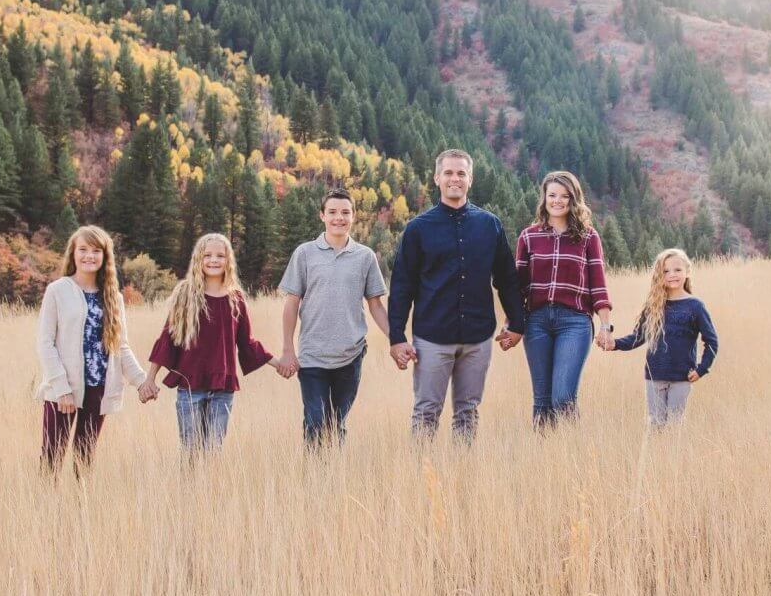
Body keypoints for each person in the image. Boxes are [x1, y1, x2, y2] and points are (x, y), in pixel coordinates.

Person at [388, 148, 526, 444]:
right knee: (426, 412)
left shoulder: (490, 225)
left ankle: (461, 478)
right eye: (448, 173)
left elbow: (506, 278)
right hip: (432, 338)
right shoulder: (418, 229)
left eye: (461, 173)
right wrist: (397, 336)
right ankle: (419, 477)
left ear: (470, 179)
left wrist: (517, 323)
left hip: (477, 338)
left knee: (468, 412)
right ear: (437, 178)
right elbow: (402, 286)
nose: (455, 179)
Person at [140, 233, 293, 450]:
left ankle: (211, 486)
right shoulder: (186, 294)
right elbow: (168, 337)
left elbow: (247, 343)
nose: (213, 260)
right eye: (207, 255)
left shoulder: (236, 298)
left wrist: (279, 364)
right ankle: (190, 486)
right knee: (191, 453)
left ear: (228, 260)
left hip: (222, 388)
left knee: (213, 452)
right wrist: (149, 380)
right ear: (198, 259)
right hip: (190, 387)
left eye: (220, 255)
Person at [273, 188, 390, 449]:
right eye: (333, 212)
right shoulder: (305, 253)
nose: (339, 218)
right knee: (314, 422)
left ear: (354, 216)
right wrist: (288, 350)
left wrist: (397, 339)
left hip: (350, 355)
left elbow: (376, 306)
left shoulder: (365, 257)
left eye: (345, 212)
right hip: (312, 355)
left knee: (336, 423)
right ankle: (314, 482)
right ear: (322, 216)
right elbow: (291, 304)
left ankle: (334, 480)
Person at [34, 225, 148, 473]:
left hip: (98, 388)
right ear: (73, 254)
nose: (89, 256)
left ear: (105, 256)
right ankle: (43, 510)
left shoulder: (113, 297)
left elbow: (120, 346)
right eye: (83, 249)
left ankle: (82, 510)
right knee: (51, 458)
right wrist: (62, 388)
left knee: (84, 459)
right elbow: (45, 343)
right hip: (63, 389)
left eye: (96, 250)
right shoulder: (58, 290)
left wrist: (141, 381)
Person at [515, 170, 615, 427]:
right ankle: (545, 463)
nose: (557, 201)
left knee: (563, 398)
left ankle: (573, 456)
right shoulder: (528, 236)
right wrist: (511, 323)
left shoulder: (588, 237)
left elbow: (598, 285)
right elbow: (519, 287)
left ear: (574, 200)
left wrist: (605, 326)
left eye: (564, 196)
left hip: (574, 322)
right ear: (544, 198)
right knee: (542, 401)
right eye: (552, 195)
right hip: (536, 321)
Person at [610, 248, 719, 427]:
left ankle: (673, 455)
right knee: (656, 424)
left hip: (682, 377)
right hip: (655, 375)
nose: (672, 275)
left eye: (677, 270)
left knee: (675, 425)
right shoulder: (654, 306)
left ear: (687, 271)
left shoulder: (695, 306)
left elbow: (712, 341)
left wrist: (701, 369)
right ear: (659, 275)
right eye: (666, 271)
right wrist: (614, 344)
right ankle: (657, 456)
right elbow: (638, 337)